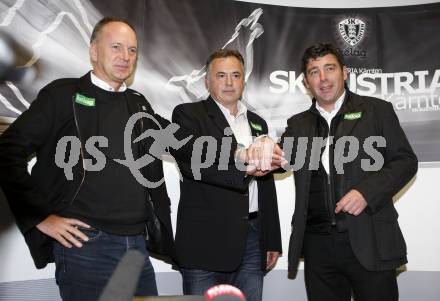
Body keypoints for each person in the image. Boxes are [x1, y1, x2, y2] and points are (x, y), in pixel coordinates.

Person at [0, 17, 176, 300]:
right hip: (87, 248)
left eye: (132, 50)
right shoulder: (63, 95)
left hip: (136, 248)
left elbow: (179, 140)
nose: (125, 56)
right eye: (116, 47)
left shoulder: (138, 103)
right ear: (94, 51)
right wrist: (39, 217)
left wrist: (237, 153)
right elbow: (7, 152)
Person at [279, 43, 418, 301]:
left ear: (344, 72)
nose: (323, 78)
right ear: (306, 81)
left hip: (370, 239)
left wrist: (366, 192)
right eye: (314, 72)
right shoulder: (298, 124)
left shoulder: (377, 110)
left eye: (329, 68)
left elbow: (405, 161)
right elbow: (279, 158)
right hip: (318, 245)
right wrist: (262, 147)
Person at [172, 49, 282, 301]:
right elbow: (195, 159)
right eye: (221, 75)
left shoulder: (257, 123)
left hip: (253, 238)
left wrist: (271, 238)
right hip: (204, 241)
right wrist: (241, 156)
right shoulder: (188, 115)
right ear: (207, 81)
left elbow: (265, 184)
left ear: (244, 80)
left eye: (236, 75)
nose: (229, 82)